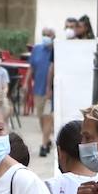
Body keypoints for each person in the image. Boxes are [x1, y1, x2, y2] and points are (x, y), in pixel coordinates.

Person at [30, 28, 56, 156]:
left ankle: (44, 144)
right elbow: (31, 68)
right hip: (38, 89)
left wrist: (49, 89)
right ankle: (47, 139)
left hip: (50, 92)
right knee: (40, 116)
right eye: (44, 34)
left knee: (47, 117)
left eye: (48, 35)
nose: (46, 37)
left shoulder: (56, 50)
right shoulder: (37, 49)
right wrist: (26, 83)